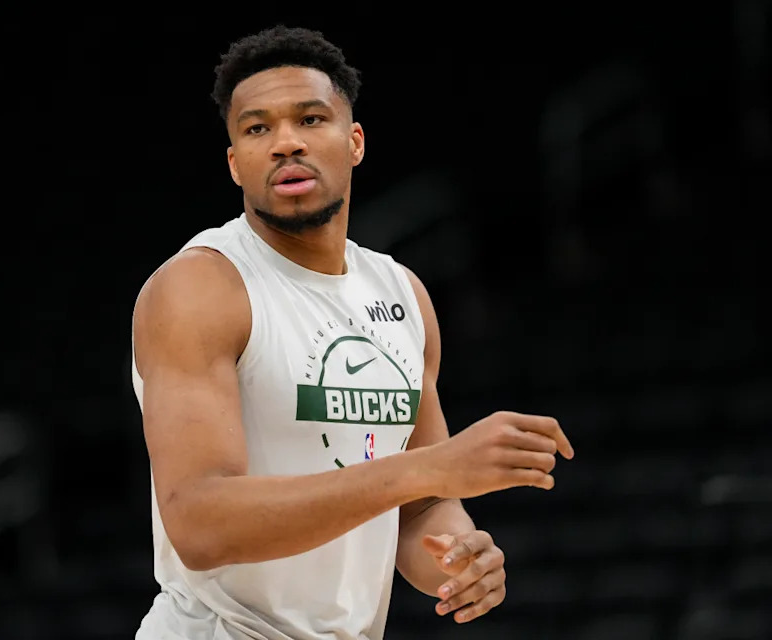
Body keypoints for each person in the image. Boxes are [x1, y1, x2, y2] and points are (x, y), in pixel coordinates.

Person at [130, 24, 574, 640]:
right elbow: (201, 524)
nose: (285, 143)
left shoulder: (402, 293)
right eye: (257, 129)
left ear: (355, 141)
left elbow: (421, 509)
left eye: (310, 119)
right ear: (235, 163)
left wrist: (463, 555)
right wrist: (428, 470)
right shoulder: (201, 288)